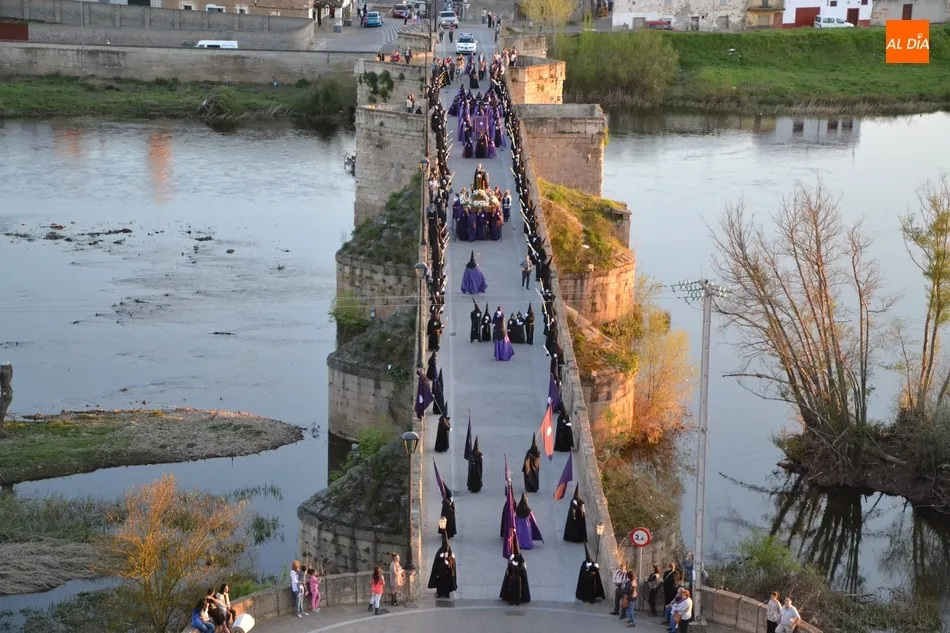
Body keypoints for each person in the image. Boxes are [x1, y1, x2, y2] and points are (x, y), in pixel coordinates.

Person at [499, 538, 530, 605]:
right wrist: (511, 564)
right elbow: (509, 568)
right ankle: (511, 598)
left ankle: (517, 599)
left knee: (517, 588)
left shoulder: (520, 558)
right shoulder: (512, 556)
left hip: (518, 577)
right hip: (512, 577)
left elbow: (522, 567)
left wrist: (517, 566)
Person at [428, 532, 458, 598]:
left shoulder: (450, 553)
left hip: (447, 573)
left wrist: (448, 562)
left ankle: (446, 593)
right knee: (440, 583)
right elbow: (436, 562)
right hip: (441, 573)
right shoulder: (440, 551)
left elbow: (452, 563)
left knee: (446, 584)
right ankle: (440, 593)